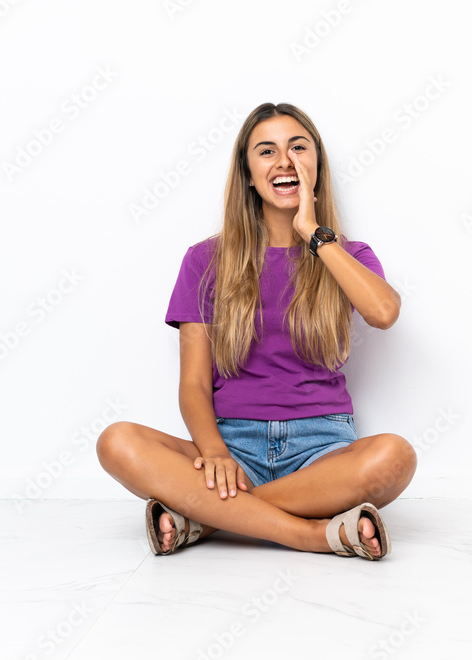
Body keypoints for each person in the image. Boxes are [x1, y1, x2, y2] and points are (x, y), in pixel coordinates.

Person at [96, 102, 416, 560]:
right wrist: (215, 454)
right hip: (231, 448)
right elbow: (192, 384)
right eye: (267, 151)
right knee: (118, 441)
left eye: (298, 148)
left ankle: (204, 520)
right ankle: (309, 533)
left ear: (316, 167)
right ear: (248, 174)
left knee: (395, 456)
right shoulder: (204, 260)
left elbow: (384, 312)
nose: (284, 161)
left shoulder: (347, 254)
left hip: (321, 452)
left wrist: (313, 232)